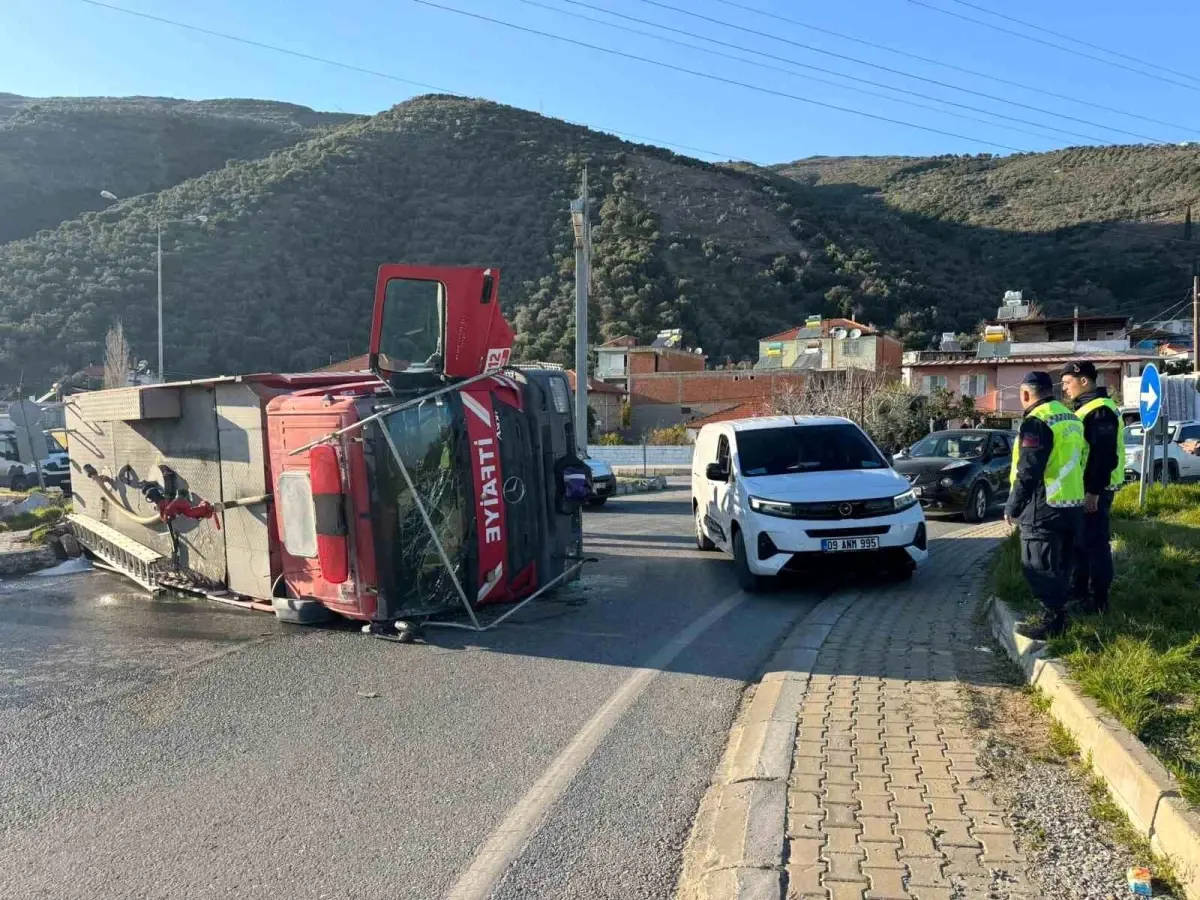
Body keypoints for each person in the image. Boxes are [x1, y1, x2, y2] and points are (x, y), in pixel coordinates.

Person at [1003, 371, 1088, 640]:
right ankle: (1060, 617)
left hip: (1044, 504)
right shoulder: (1071, 418)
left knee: (1038, 565)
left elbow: (1028, 469)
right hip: (1072, 503)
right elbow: (1082, 457)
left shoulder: (1037, 421)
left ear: (1026, 394)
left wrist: (1012, 506)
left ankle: (1053, 621)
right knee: (1062, 564)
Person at [1060, 360, 1122, 614]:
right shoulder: (1086, 408)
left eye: (1067, 382)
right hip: (1085, 489)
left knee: (1095, 546)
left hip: (1094, 491)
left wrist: (1094, 491)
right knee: (1081, 544)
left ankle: (1098, 602)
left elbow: (1104, 455)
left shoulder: (1100, 411)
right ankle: (1079, 594)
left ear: (1083, 381)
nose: (1064, 388)